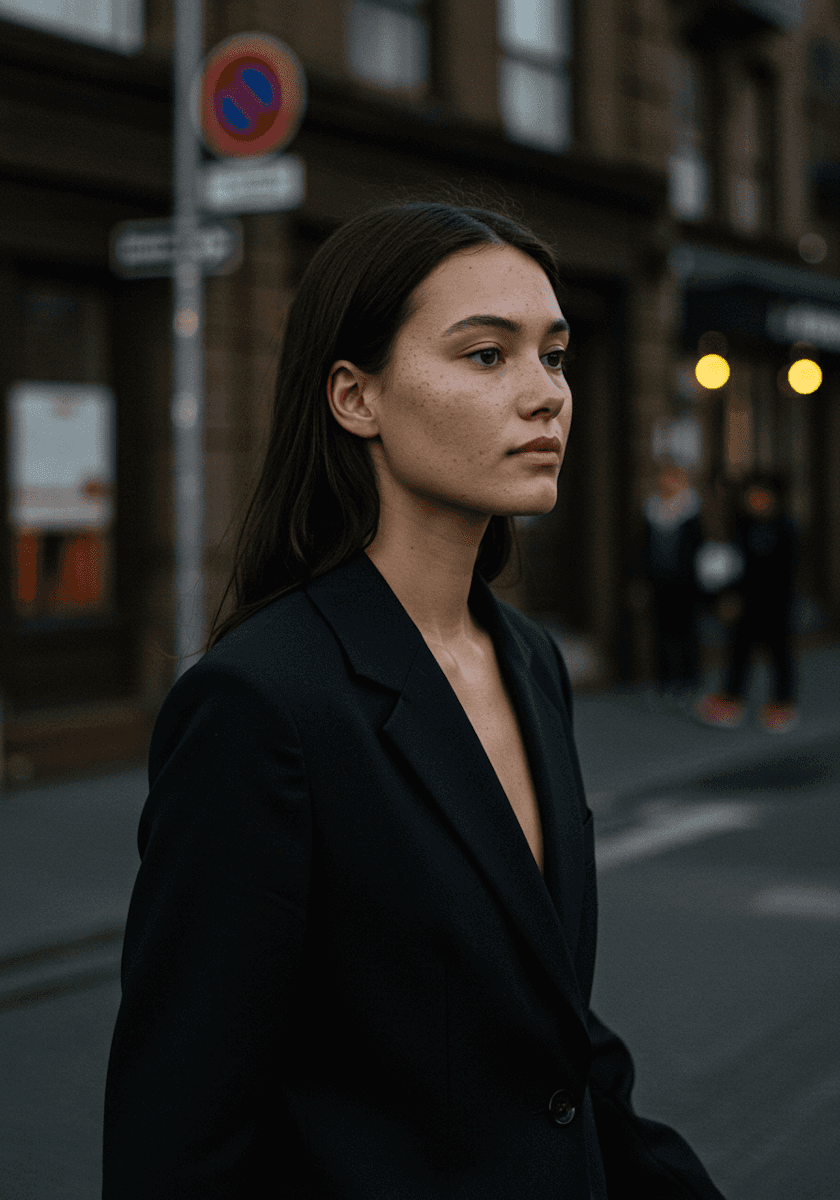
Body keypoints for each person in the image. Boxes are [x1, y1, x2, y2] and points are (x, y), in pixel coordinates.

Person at [103, 202, 726, 1198]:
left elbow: (556, 1040)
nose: (546, 396)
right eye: (486, 355)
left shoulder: (529, 660)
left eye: (554, 357)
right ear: (356, 397)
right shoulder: (262, 703)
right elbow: (178, 1133)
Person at [696, 472, 798, 732]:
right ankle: (731, 700)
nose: (756, 501)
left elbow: (787, 573)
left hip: (775, 606)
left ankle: (782, 703)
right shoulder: (742, 526)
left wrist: (778, 601)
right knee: (738, 653)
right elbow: (734, 566)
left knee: (780, 654)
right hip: (745, 604)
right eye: (752, 496)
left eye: (761, 495)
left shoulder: (785, 528)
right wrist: (728, 595)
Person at [641, 462, 703, 705]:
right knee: (661, 632)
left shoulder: (691, 509)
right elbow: (642, 548)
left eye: (672, 478)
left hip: (686, 584)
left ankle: (689, 680)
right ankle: (664, 680)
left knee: (687, 632)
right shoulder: (651, 509)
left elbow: (698, 549)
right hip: (659, 581)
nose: (667, 482)